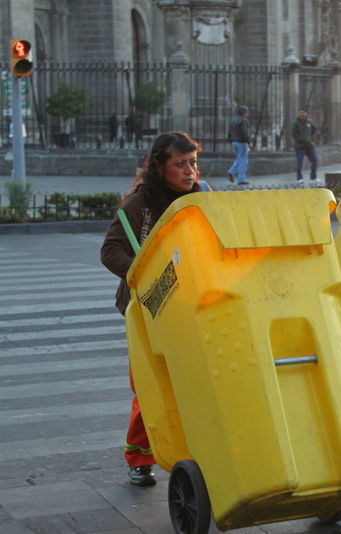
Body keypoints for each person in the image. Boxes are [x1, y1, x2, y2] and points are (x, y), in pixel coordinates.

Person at [101, 132, 204, 486]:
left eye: (193, 163)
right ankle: (139, 455)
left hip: (193, 305)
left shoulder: (202, 199)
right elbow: (110, 251)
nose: (190, 171)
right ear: (160, 168)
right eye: (180, 164)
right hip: (146, 309)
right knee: (150, 385)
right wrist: (143, 275)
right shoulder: (138, 206)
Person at [292, 108, 318, 184]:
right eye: (300, 112)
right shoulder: (296, 123)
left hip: (310, 146)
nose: (302, 114)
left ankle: (313, 177)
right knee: (299, 162)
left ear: (306, 114)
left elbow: (314, 130)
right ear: (298, 113)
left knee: (315, 160)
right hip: (300, 146)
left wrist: (312, 139)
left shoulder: (309, 122)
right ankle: (299, 178)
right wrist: (304, 140)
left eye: (303, 112)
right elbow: (295, 135)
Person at [227, 105, 252, 185]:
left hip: (234, 141)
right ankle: (241, 178)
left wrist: (230, 140)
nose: (248, 114)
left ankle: (231, 172)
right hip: (242, 142)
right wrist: (249, 142)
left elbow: (230, 131)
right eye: (247, 112)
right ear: (244, 113)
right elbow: (244, 132)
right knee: (243, 161)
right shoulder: (243, 120)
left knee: (240, 158)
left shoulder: (233, 120)